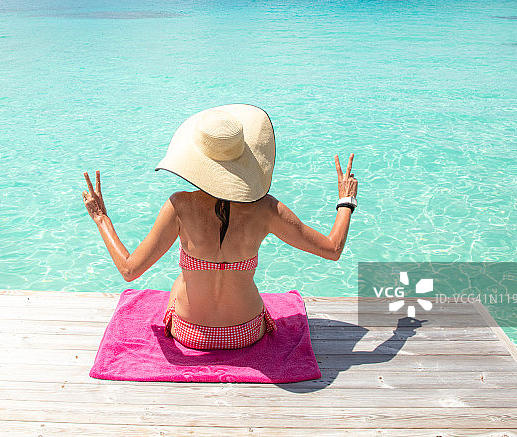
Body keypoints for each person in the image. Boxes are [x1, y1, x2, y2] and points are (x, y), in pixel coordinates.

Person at [82, 104, 358, 350]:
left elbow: (130, 270)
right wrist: (346, 200)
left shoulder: (179, 206)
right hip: (247, 332)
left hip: (189, 333)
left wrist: (101, 218)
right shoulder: (266, 209)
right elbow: (332, 249)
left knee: (181, 279)